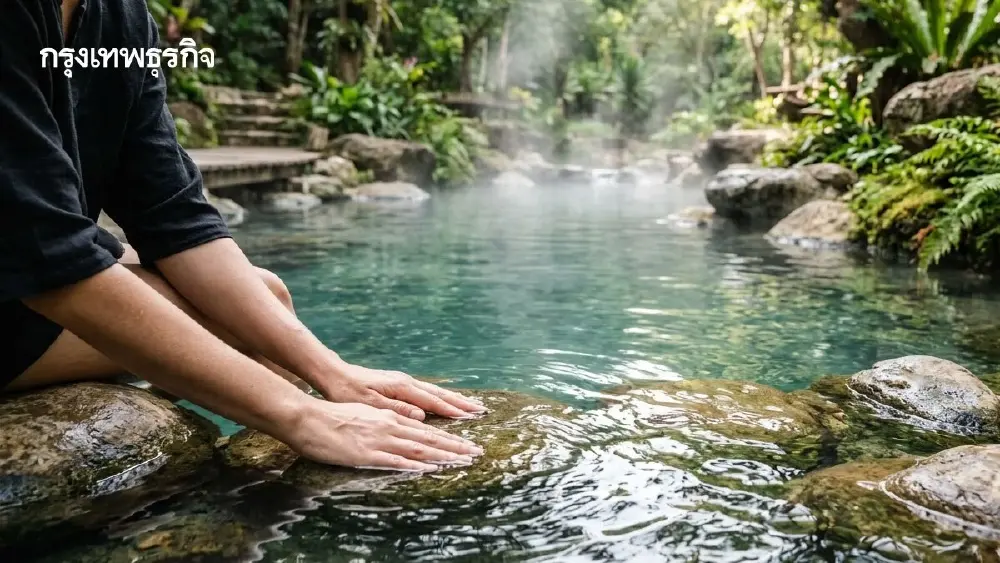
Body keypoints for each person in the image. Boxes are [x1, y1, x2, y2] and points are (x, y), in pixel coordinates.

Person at [0, 0, 485, 472]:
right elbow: (47, 256)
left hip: (32, 272)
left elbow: (173, 215)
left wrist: (333, 371)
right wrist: (301, 415)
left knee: (269, 300)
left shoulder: (120, 17)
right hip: (25, 284)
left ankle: (229, 491)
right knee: (259, 351)